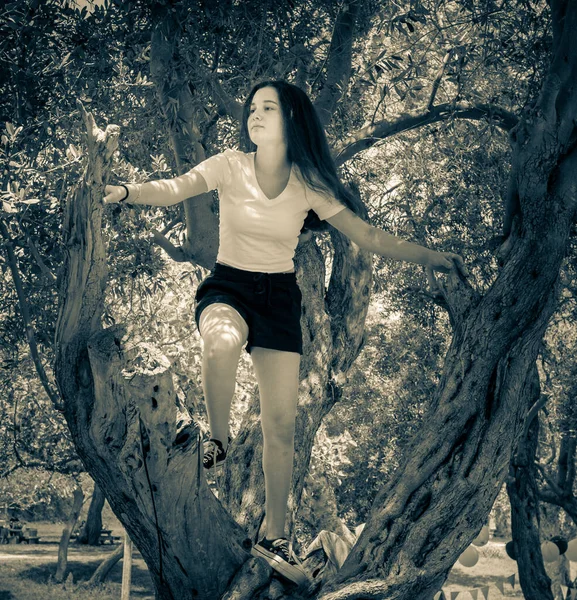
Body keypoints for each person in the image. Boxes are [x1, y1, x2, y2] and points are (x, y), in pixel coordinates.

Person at [104, 80, 466, 586]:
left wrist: (432, 257)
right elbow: (174, 188)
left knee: (282, 427)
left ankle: (275, 536)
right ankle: (219, 438)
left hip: (279, 299)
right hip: (227, 285)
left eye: (267, 108)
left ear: (290, 120)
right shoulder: (229, 165)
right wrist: (125, 192)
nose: (255, 115)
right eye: (252, 108)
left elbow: (368, 235)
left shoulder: (308, 182)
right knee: (221, 341)